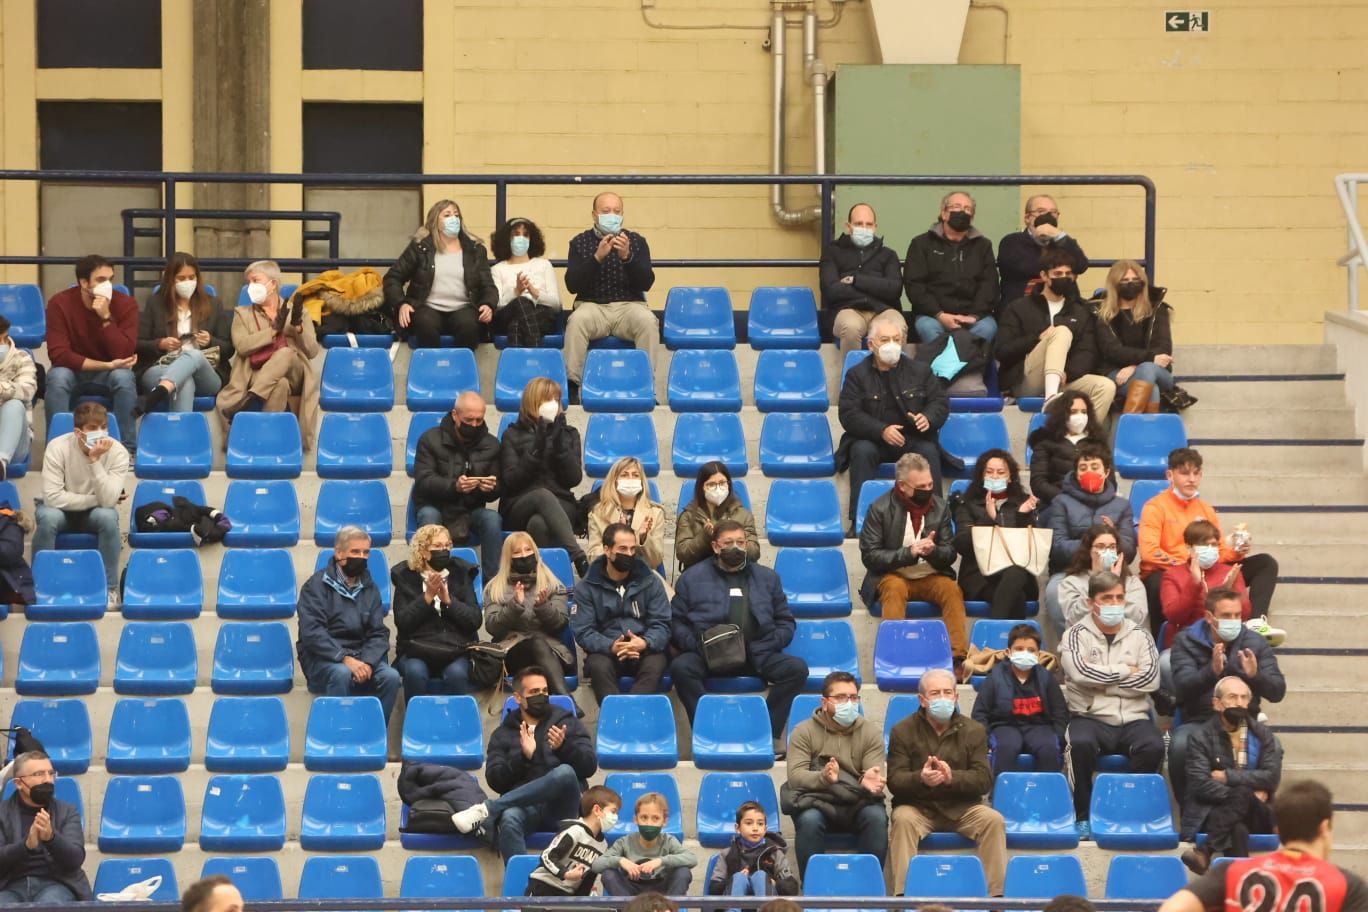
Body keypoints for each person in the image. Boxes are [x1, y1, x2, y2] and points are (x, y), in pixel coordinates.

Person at [671, 521, 808, 755]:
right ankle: (708, 730)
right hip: (710, 655)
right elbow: (676, 622)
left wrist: (770, 642)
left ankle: (767, 732)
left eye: (741, 542)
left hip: (758, 654)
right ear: (715, 546)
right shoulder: (692, 578)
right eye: (728, 543)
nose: (736, 547)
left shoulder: (768, 578)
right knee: (681, 668)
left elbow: (786, 621)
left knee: (797, 669)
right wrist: (698, 645)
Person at [450, 666, 598, 860]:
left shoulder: (566, 722)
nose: (542, 696)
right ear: (518, 698)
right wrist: (523, 759)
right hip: (526, 807)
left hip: (563, 807)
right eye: (534, 692)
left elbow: (589, 766)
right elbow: (495, 780)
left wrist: (564, 748)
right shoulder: (503, 734)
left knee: (565, 772)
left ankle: (489, 808)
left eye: (545, 691)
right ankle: (521, 887)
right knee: (510, 818)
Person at [1059, 571, 1164, 840]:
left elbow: (1151, 680)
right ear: (1090, 602)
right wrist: (1124, 671)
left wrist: (1102, 681)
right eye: (1107, 598)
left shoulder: (1141, 635)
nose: (1114, 603)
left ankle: (1126, 814)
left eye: (1119, 597)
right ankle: (1082, 816)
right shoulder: (1075, 634)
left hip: (1134, 718)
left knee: (1153, 746)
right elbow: (1079, 673)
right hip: (1090, 717)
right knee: (1078, 744)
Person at [1160, 780, 1368, 912]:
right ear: (1325, 828)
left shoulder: (1232, 872)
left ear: (1277, 829)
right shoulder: (1348, 885)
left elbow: (1174, 908)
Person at [887, 668, 1006, 897]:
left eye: (947, 692)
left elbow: (983, 780)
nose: (942, 698)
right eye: (935, 693)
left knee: (993, 820)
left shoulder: (974, 730)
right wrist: (920, 779)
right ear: (922, 700)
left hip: (962, 808)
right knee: (902, 819)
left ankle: (996, 899)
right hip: (918, 808)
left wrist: (953, 778)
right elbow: (894, 780)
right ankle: (903, 898)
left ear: (956, 697)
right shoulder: (902, 730)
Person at [1139, 447, 1281, 639]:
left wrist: (1237, 552)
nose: (1192, 479)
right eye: (1185, 473)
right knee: (1157, 582)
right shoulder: (1155, 507)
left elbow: (1220, 551)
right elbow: (1149, 552)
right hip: (1170, 570)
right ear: (1170, 475)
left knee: (1265, 562)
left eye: (1196, 473)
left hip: (1207, 570)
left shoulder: (1206, 510)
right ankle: (1160, 640)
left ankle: (1255, 622)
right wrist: (1189, 564)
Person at [838, 310, 951, 532]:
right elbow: (849, 414)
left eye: (896, 340)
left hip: (912, 439)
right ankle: (859, 520)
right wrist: (881, 430)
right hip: (874, 440)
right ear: (871, 345)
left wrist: (928, 418)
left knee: (929, 451)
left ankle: (935, 522)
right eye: (885, 340)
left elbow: (940, 402)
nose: (892, 344)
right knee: (861, 451)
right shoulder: (856, 374)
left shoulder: (920, 370)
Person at [1169, 588, 1285, 804]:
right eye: (1226, 616)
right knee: (1179, 745)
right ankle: (1189, 815)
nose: (1233, 621)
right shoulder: (1185, 641)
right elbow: (1182, 688)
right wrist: (1210, 671)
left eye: (1237, 616)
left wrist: (1255, 676)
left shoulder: (1255, 642)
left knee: (1274, 747)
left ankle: (1259, 814)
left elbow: (1278, 691)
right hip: (1200, 721)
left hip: (1245, 721)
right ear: (1209, 617)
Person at [858, 453, 968, 676]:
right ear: (902, 485)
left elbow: (950, 553)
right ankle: (893, 657)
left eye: (930, 484)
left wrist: (933, 551)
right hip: (893, 574)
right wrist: (909, 553)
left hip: (930, 575)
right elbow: (870, 556)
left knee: (951, 589)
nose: (927, 489)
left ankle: (958, 659)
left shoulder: (940, 507)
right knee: (895, 588)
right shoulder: (879, 508)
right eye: (921, 486)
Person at [785, 671, 888, 878]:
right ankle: (813, 892)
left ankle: (869, 888)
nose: (848, 703)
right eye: (841, 698)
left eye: (853, 697)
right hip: (819, 801)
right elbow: (795, 776)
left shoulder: (870, 732)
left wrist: (867, 780)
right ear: (824, 702)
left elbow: (874, 773)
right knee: (809, 820)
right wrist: (823, 778)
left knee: (876, 817)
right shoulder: (803, 731)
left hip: (857, 802)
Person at [295, 526, 403, 723]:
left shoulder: (370, 588)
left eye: (365, 552)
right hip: (323, 659)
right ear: (339, 553)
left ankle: (373, 736)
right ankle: (340, 736)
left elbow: (379, 633)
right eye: (355, 551)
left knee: (391, 676)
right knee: (342, 673)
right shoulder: (315, 586)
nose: (361, 557)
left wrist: (368, 662)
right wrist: (344, 658)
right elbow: (312, 633)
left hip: (361, 657)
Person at [1179, 676, 1282, 872]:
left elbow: (1271, 777)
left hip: (1258, 813)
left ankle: (1205, 851)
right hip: (1214, 810)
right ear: (1217, 703)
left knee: (1242, 794)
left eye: (1244, 697)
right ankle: (1239, 891)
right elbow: (1201, 784)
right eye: (1232, 697)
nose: (1239, 703)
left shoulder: (1263, 735)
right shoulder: (1201, 737)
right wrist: (1244, 793)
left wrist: (1228, 777)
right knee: (1237, 829)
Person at [995, 247, 1115, 415]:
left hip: (1065, 378)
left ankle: (1086, 437)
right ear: (1044, 276)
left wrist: (1069, 373)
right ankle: (1051, 398)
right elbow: (1002, 350)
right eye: (1058, 274)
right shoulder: (1018, 308)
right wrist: (1036, 338)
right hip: (1027, 380)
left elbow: (1088, 351)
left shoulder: (1080, 311)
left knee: (1106, 386)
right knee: (1062, 332)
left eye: (1068, 274)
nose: (1064, 278)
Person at [215, 260, 320, 450]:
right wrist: (272, 332)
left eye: (255, 280)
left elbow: (312, 351)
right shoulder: (242, 314)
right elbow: (242, 346)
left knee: (286, 352)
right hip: (256, 372)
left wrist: (298, 328)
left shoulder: (298, 312)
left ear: (273, 284)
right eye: (248, 283)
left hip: (294, 371)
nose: (250, 287)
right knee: (279, 385)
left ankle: (251, 401)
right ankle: (264, 443)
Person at [563, 191, 657, 401]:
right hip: (592, 306)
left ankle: (645, 385)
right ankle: (571, 386)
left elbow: (646, 282)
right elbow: (572, 284)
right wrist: (597, 258)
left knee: (648, 321)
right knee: (576, 321)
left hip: (629, 307)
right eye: (606, 211)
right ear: (594, 215)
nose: (612, 215)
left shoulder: (637, 241)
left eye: (617, 211)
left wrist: (627, 257)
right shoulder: (579, 242)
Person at [33, 401, 129, 603]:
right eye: (93, 429)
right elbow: (52, 497)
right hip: (60, 512)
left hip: (93, 515)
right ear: (78, 432)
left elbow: (109, 503)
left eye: (104, 427)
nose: (101, 433)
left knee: (108, 516)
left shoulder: (118, 452)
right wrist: (96, 499)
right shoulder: (57, 447)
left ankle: (109, 589)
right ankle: (40, 586)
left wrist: (94, 461)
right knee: (48, 516)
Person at [44, 254, 138, 449]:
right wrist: (105, 364)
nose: (108, 285)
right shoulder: (59, 303)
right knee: (57, 377)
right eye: (101, 280)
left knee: (124, 378)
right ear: (84, 282)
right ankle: (58, 449)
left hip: (110, 373)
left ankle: (126, 448)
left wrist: (105, 317)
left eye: (111, 279)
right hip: (74, 371)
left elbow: (124, 351)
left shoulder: (126, 304)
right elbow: (58, 354)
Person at [571, 523, 672, 705]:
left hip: (643, 647)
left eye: (633, 548)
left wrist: (645, 642)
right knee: (598, 666)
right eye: (623, 548)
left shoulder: (650, 581)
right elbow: (583, 631)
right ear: (607, 550)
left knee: (657, 662)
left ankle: (631, 713)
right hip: (607, 650)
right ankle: (614, 716)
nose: (629, 554)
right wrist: (611, 646)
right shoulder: (586, 587)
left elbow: (662, 623)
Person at [499, 377, 587, 575]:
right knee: (541, 495)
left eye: (557, 399)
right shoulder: (512, 434)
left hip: (561, 504)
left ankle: (542, 582)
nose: (553, 405)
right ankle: (578, 557)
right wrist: (536, 449)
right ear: (533, 401)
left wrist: (559, 446)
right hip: (518, 504)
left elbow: (574, 479)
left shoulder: (569, 433)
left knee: (538, 524)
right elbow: (511, 480)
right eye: (548, 399)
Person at [383, 199, 497, 350]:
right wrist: (401, 303)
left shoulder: (475, 250)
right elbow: (393, 278)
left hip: (464, 308)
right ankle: (431, 371)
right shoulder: (420, 248)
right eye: (447, 215)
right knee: (426, 325)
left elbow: (488, 285)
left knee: (469, 327)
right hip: (426, 307)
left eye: (456, 215)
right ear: (435, 221)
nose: (454, 219)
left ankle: (461, 371)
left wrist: (488, 304)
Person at [412, 390, 502, 580]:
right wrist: (455, 486)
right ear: (455, 415)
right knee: (429, 516)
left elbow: (499, 486)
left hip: (470, 509)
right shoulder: (430, 439)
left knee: (492, 519)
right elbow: (424, 481)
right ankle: (428, 579)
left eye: (479, 420)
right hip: (435, 505)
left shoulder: (491, 444)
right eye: (469, 420)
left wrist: (489, 489)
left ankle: (491, 584)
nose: (475, 425)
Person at [391, 523, 484, 702]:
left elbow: (474, 620)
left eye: (447, 545)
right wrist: (426, 598)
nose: (444, 550)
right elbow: (402, 622)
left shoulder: (461, 573)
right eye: (437, 546)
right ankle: (416, 725)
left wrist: (450, 602)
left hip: (455, 649)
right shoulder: (405, 577)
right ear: (423, 551)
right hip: (416, 648)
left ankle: (455, 725)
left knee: (457, 674)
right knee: (415, 672)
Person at [136, 252, 232, 413]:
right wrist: (160, 344)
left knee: (195, 355)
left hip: (205, 373)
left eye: (191, 277)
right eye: (181, 278)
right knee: (184, 381)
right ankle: (179, 433)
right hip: (162, 367)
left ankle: (158, 393)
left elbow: (229, 348)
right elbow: (138, 343)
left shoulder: (213, 304)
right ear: (170, 280)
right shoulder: (156, 303)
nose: (187, 282)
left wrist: (210, 341)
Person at [950, 449, 1040, 620]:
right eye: (989, 472)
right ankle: (1009, 644)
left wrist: (1022, 516)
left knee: (1015, 573)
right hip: (980, 576)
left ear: (1010, 476)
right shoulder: (967, 504)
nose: (995, 477)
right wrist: (988, 519)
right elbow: (962, 545)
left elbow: (1033, 548)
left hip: (1018, 573)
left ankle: (993, 640)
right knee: (1016, 596)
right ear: (981, 476)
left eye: (1001, 472)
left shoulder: (1024, 503)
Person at [1095, 259, 1194, 413]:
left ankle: (1129, 426)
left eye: (1135, 280)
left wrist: (1135, 366)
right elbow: (1111, 350)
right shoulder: (1102, 312)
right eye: (1125, 280)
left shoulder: (1156, 308)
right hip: (1116, 372)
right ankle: (1145, 432)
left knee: (1147, 369)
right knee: (1151, 389)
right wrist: (1147, 359)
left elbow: (1163, 348)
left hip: (1156, 371)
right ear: (1114, 284)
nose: (1131, 284)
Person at [484, 532, 576, 697]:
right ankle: (567, 702)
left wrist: (543, 607)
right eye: (517, 552)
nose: (524, 555)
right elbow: (492, 627)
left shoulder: (553, 584)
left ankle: (563, 702)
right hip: (512, 652)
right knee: (535, 644)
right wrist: (514, 606)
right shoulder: (495, 587)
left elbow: (561, 623)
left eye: (528, 550)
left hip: (551, 651)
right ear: (508, 558)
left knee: (538, 643)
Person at [971, 624, 1069, 775]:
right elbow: (979, 713)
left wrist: (1058, 736)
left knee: (1049, 748)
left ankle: (1047, 794)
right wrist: (986, 739)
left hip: (1039, 727)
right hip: (1004, 726)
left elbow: (1060, 712)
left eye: (1031, 650)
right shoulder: (995, 677)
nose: (1025, 653)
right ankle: (1001, 794)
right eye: (1019, 649)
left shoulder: (1046, 677)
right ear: (1009, 652)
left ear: (1038, 654)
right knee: (1006, 747)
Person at [903, 191, 1000, 343]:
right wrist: (939, 314)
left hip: (974, 317)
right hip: (933, 316)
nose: (963, 212)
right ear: (944, 213)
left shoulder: (983, 246)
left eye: (968, 209)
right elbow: (915, 285)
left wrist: (973, 316)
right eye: (957, 207)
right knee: (928, 328)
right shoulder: (921, 244)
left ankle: (960, 365)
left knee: (988, 328)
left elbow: (989, 285)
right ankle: (955, 365)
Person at [0, 751, 91, 903]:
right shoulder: (2, 813)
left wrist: (52, 838)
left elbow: (75, 859)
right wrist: (26, 846)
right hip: (9, 885)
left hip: (57, 884)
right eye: (39, 774)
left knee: (49, 904)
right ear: (19, 783)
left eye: (50, 773)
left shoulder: (67, 811)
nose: (48, 780)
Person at [819, 203, 904, 355]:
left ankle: (891, 378)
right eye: (858, 224)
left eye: (869, 224)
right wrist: (876, 288)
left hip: (883, 310)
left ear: (875, 227)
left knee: (897, 326)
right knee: (850, 327)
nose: (864, 228)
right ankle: (852, 377)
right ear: (848, 226)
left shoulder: (888, 254)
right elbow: (830, 290)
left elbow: (894, 289)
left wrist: (855, 280)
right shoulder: (832, 252)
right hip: (847, 310)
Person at [1042, 442, 1135, 575]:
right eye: (1083, 468)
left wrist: (1114, 535)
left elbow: (1130, 552)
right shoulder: (1060, 502)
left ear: (1106, 472)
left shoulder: (1122, 505)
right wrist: (1096, 542)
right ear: (1077, 474)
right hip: (1070, 571)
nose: (1089, 472)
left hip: (1111, 571)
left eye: (1095, 467)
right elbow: (1057, 549)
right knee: (1053, 592)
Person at [1160, 519, 1251, 648]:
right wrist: (1194, 583)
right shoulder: (1172, 575)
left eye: (1214, 545)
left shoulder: (1230, 572)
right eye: (1204, 544)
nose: (1210, 549)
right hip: (1185, 644)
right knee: (1165, 663)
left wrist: (1228, 591)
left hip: (1225, 643)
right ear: (1188, 547)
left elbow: (1245, 614)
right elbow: (1174, 617)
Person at [1052, 524, 1147, 643]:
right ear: (1089, 550)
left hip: (1125, 644)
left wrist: (1114, 583)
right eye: (1100, 547)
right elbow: (1074, 619)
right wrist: (1097, 581)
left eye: (1112, 547)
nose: (1107, 551)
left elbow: (1138, 619)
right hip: (1086, 643)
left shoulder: (1132, 583)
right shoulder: (1071, 582)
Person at [524, 785, 621, 899]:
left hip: (567, 896)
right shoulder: (574, 831)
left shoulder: (603, 845)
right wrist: (566, 873)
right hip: (543, 887)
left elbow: (588, 879)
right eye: (613, 811)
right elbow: (547, 856)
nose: (616, 817)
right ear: (597, 810)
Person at [593, 791, 696, 897]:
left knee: (683, 872)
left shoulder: (668, 840)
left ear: (664, 821)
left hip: (662, 894)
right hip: (631, 893)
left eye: (655, 818)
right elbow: (597, 865)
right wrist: (621, 861)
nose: (649, 823)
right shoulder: (624, 842)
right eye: (644, 817)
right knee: (608, 874)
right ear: (636, 819)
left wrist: (661, 861)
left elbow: (692, 859)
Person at [996, 194, 1090, 305]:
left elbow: (1081, 265)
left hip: (1065, 308)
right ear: (1027, 218)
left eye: (1053, 213)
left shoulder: (1063, 242)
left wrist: (1059, 235)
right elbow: (1024, 267)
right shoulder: (1012, 241)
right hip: (1021, 309)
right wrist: (1063, 271)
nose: (1047, 217)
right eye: (1041, 212)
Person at [1025, 390, 1109, 508]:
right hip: (1056, 505)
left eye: (1084, 412)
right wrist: (1066, 499)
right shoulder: (1045, 441)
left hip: (1094, 505)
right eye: (1073, 412)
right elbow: (1038, 483)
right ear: (1062, 414)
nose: (1080, 416)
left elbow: (1110, 481)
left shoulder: (1098, 441)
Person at [489, 217, 561, 348]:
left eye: (525, 235)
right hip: (507, 315)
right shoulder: (497, 269)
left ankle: (517, 368)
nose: (521, 238)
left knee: (516, 326)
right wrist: (517, 292)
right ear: (507, 239)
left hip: (542, 315)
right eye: (516, 234)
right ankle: (536, 359)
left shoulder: (544, 265)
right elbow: (497, 305)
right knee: (521, 302)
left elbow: (556, 304)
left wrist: (535, 293)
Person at [675, 461, 760, 572]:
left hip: (736, 573)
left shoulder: (743, 515)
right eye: (711, 484)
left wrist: (736, 540)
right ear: (702, 487)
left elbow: (754, 553)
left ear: (728, 484)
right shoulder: (688, 516)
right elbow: (683, 554)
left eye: (722, 483)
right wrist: (704, 537)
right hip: (700, 576)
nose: (718, 488)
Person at [705, 801, 800, 898]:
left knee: (760, 877)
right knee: (739, 878)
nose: (755, 828)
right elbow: (713, 889)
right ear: (737, 828)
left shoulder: (775, 853)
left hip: (769, 906)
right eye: (749, 823)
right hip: (735, 904)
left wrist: (774, 883)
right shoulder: (727, 854)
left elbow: (791, 888)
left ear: (765, 829)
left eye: (760, 824)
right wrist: (732, 880)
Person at [587, 457, 666, 571]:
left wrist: (642, 539)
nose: (630, 479)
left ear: (642, 481)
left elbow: (655, 560)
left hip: (643, 576)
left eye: (635, 475)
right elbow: (593, 558)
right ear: (614, 481)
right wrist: (616, 542)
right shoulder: (598, 513)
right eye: (624, 475)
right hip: (608, 576)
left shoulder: (655, 513)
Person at [0, 316, 36, 482]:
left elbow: (26, 390)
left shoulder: (22, 358)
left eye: (4, 338)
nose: (2, 343)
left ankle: (1, 462)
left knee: (15, 405)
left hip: (15, 446)